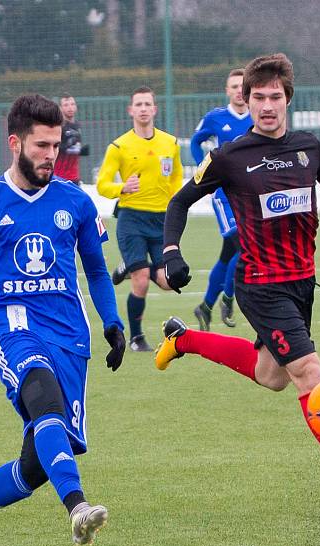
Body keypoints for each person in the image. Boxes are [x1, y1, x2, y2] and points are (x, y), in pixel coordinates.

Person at [156, 53, 320, 507]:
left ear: (287, 99)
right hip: (260, 283)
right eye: (258, 98)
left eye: (275, 96)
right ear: (245, 101)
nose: (267, 105)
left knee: (270, 375)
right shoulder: (229, 158)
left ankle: (184, 340)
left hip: (302, 282)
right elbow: (178, 203)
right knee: (310, 374)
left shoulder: (308, 147)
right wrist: (171, 253)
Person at [0, 94, 126, 546]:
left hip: (71, 339)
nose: (51, 155)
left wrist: (113, 323)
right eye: (41, 145)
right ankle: (77, 507)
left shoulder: (75, 202)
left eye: (56, 145)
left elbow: (96, 271)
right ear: (15, 142)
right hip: (15, 332)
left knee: (34, 468)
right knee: (43, 397)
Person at [97, 86, 183, 351]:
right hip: (131, 219)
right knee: (142, 278)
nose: (143, 108)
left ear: (154, 109)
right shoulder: (119, 146)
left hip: (160, 222)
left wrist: (175, 203)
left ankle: (127, 264)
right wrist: (121, 188)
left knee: (168, 282)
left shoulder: (170, 143)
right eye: (139, 104)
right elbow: (102, 184)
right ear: (131, 110)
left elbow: (177, 179)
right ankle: (136, 338)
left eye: (148, 104)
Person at [190, 68, 253, 331]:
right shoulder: (216, 118)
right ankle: (228, 298)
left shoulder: (258, 116)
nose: (239, 90)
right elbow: (195, 142)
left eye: (242, 86)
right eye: (234, 86)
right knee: (245, 248)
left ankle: (205, 306)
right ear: (227, 90)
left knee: (228, 255)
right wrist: (204, 168)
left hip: (249, 195)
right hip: (224, 196)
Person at [53, 93, 90, 184]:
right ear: (60, 108)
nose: (70, 108)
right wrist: (68, 147)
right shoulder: (58, 126)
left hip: (74, 177)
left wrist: (81, 151)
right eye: (66, 105)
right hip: (59, 177)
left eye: (72, 104)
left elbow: (75, 148)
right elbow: (54, 148)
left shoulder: (77, 125)